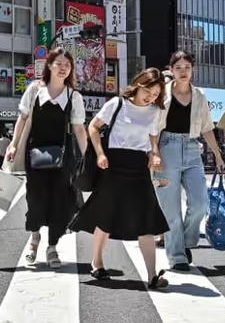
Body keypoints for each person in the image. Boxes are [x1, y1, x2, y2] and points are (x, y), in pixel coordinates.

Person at [71, 68, 171, 288]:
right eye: (149, 92)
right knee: (106, 218)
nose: (151, 97)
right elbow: (93, 127)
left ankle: (152, 275)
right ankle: (96, 262)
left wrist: (154, 153)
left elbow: (153, 135)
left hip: (139, 167)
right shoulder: (116, 104)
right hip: (113, 165)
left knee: (147, 219)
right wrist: (99, 153)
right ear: (139, 84)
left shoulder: (154, 111)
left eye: (156, 94)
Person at [5, 48, 87, 268]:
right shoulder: (34, 90)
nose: (63, 68)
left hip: (63, 157)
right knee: (35, 199)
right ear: (49, 65)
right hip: (35, 154)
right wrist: (13, 145)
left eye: (67, 65)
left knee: (59, 201)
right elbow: (22, 120)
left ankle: (52, 247)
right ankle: (34, 239)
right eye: (58, 63)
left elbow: (79, 129)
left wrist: (88, 156)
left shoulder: (73, 96)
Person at [154, 51, 225, 271]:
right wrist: (154, 152)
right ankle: (177, 257)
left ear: (193, 69)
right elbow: (153, 128)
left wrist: (218, 154)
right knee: (170, 208)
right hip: (167, 148)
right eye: (179, 67)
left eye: (187, 67)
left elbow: (207, 128)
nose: (183, 71)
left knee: (200, 203)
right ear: (171, 70)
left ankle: (184, 242)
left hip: (193, 149)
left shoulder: (200, 95)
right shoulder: (162, 94)